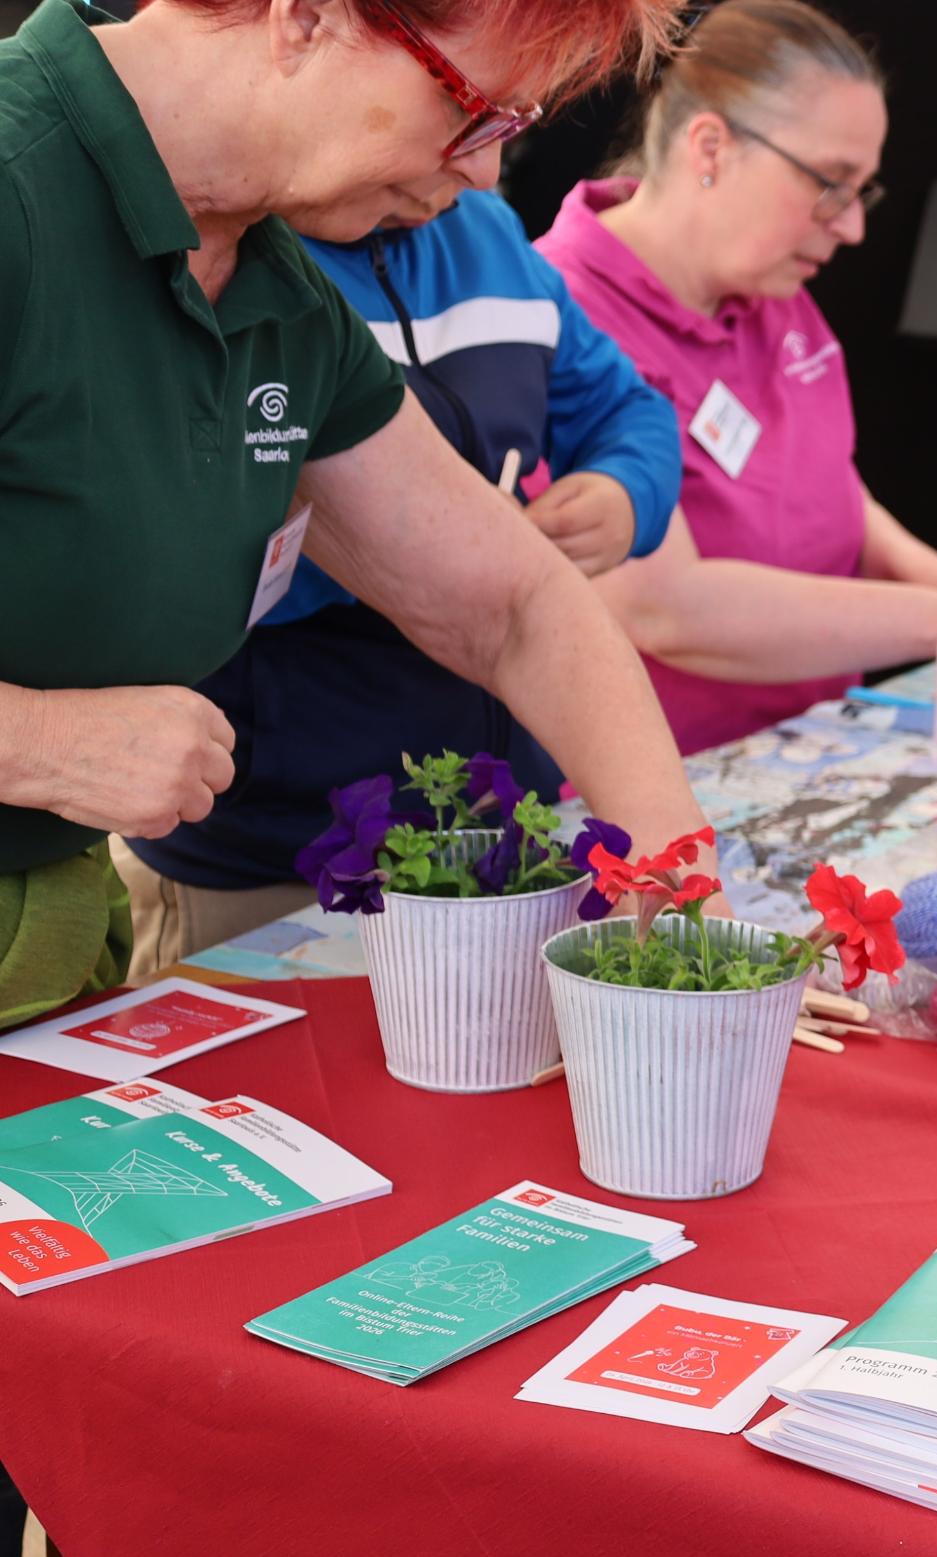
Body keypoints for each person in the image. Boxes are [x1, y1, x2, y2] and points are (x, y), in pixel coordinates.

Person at [0, 0, 715, 1557]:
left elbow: (517, 602)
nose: (475, 180)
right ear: (312, 4)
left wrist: (679, 891)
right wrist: (33, 741)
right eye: (471, 121)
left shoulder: (264, 279)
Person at [116, 179, 683, 973]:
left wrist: (626, 492)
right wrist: (405, 560)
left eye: (513, 124)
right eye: (468, 114)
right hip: (270, 850)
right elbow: (164, 552)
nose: (484, 167)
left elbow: (632, 409)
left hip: (495, 835)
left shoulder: (490, 231)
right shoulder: (228, 259)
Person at [534, 0, 937, 759]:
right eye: (830, 182)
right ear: (710, 148)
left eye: (863, 189)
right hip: (661, 794)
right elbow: (667, 608)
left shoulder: (771, 292)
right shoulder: (556, 311)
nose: (853, 225)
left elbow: (830, 492)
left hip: (811, 752)